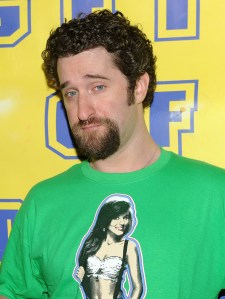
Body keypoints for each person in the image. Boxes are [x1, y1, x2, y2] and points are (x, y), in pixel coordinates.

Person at [0, 9, 225, 299]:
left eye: (97, 86)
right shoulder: (42, 203)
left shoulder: (214, 195)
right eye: (71, 93)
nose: (82, 111)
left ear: (139, 87)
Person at [73, 194, 145, 298]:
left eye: (125, 217)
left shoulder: (128, 246)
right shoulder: (92, 244)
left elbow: (138, 287)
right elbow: (88, 285)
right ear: (106, 219)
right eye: (116, 217)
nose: (122, 222)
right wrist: (83, 280)